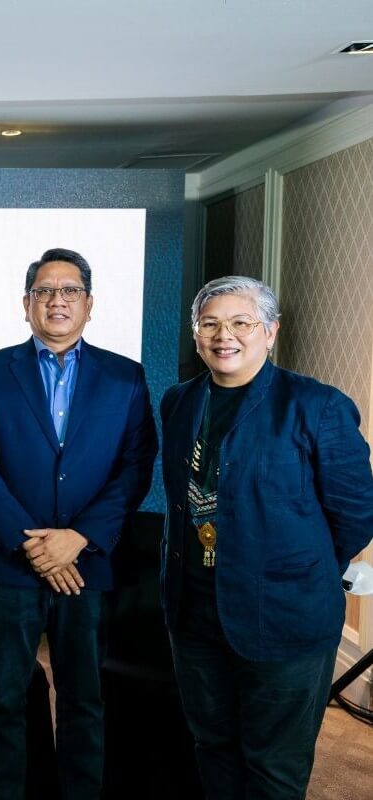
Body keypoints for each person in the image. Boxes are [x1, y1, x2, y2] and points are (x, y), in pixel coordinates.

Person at [160, 275, 373, 799]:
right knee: (213, 747)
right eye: (209, 323)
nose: (223, 335)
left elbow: (355, 512)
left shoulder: (316, 405)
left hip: (285, 616)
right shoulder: (179, 402)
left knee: (273, 766)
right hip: (195, 610)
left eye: (241, 322)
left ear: (270, 332)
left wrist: (295, 565)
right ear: (195, 334)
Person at [0, 248, 157, 799]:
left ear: (89, 304)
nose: (57, 301)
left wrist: (79, 538)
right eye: (45, 291)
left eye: (69, 290)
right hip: (7, 562)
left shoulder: (126, 377)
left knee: (83, 697)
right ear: (26, 305)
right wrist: (36, 547)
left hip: (85, 564)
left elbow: (136, 465)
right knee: (2, 697)